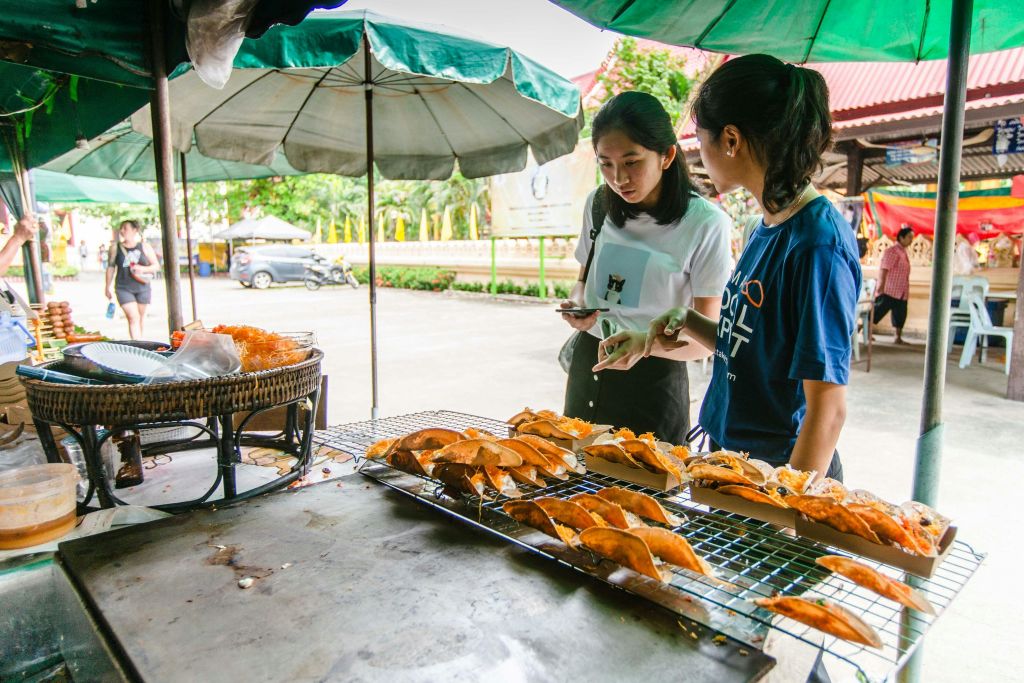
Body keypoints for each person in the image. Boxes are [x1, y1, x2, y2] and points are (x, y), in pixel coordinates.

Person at [642, 54, 861, 481]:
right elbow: (751, 347)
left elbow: (828, 411)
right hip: (734, 462)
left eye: (699, 139)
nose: (698, 153)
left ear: (730, 139)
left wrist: (783, 511)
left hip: (779, 472)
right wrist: (688, 320)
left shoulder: (818, 244)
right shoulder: (764, 224)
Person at [559, 91, 733, 444]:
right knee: (575, 486)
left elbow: (706, 341)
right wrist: (578, 304)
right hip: (588, 366)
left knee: (646, 494)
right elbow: (583, 282)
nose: (618, 177)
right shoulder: (598, 204)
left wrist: (643, 346)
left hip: (653, 383)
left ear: (667, 155)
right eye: (605, 163)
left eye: (631, 162)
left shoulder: (704, 223)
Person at [105, 220, 159, 339]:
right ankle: (138, 345)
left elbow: (156, 266)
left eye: (126, 228)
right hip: (123, 287)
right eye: (121, 228)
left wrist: (142, 269)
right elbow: (110, 267)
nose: (122, 231)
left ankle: (139, 343)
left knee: (140, 318)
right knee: (133, 317)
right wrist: (107, 287)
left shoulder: (144, 247)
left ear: (134, 230)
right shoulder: (115, 248)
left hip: (142, 286)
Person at [873, 226, 914, 344]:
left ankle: (898, 337)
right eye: (909, 237)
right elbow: (884, 269)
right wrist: (880, 286)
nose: (911, 240)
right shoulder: (893, 251)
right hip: (889, 290)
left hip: (901, 291)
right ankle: (862, 332)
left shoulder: (903, 252)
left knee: (900, 315)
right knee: (876, 313)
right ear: (901, 238)